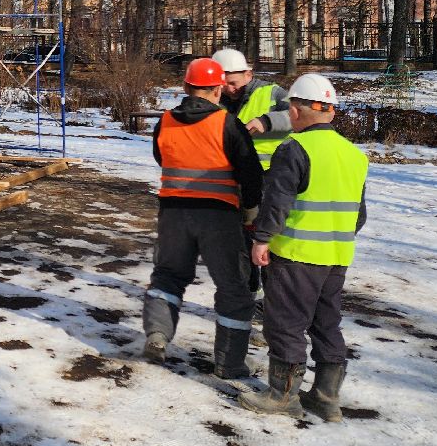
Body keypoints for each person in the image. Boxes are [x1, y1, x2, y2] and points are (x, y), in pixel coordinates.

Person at [240, 72, 368, 422]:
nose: (290, 116)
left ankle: (283, 396)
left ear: (298, 111)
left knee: (285, 324)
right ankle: (327, 398)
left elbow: (276, 203)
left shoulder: (294, 149)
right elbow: (359, 215)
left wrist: (262, 239)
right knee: (327, 323)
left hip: (296, 257)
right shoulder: (355, 155)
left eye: (292, 109)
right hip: (337, 258)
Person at [142, 57, 263, 380]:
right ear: (219, 88)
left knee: (167, 276)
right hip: (219, 217)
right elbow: (251, 175)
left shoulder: (166, 121)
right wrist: (251, 214)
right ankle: (229, 363)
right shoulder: (227, 124)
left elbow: (160, 157)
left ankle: (156, 336)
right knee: (234, 290)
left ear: (185, 87)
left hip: (173, 213)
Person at [212, 47, 292, 305]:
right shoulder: (216, 100)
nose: (229, 89)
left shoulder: (272, 94)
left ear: (248, 74)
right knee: (241, 246)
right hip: (233, 185)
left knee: (266, 243)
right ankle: (249, 297)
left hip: (270, 184)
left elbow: (299, 115)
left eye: (233, 83)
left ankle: (272, 303)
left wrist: (267, 122)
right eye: (223, 85)